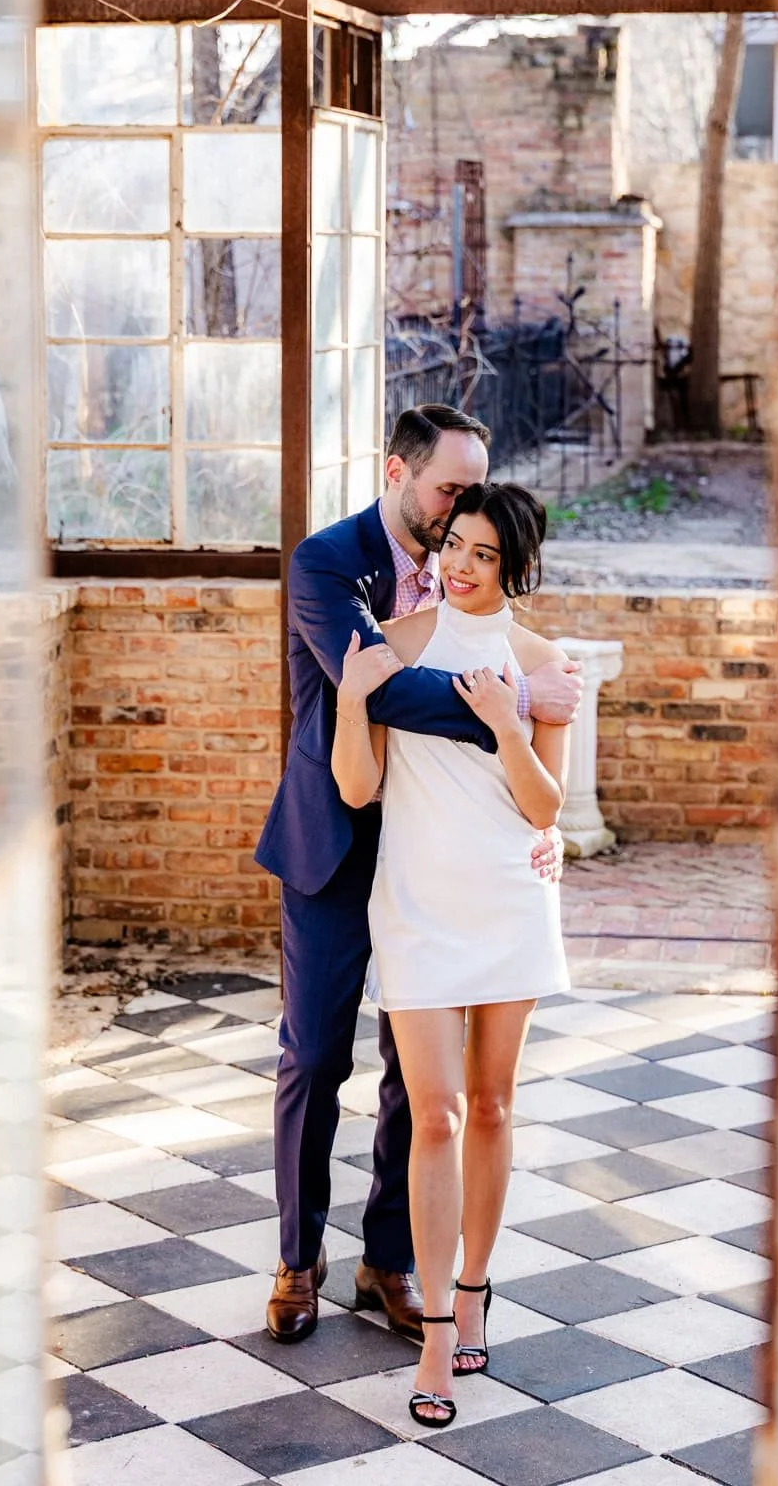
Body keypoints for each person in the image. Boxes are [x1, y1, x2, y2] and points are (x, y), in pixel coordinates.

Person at [254, 405, 582, 1346]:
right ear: (397, 471)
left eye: (470, 498)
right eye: (446, 490)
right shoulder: (327, 561)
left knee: (419, 1080)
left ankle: (392, 1258)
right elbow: (385, 688)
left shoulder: (467, 583)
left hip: (434, 864)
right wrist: (521, 696)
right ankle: (295, 1256)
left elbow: (530, 781)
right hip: (334, 843)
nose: (455, 514)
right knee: (314, 1057)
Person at [330, 481, 570, 1429]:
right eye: (453, 548)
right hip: (418, 900)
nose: (460, 568)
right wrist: (355, 701)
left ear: (515, 565)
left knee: (495, 1105)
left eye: (482, 554)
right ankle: (433, 1330)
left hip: (508, 898)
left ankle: (474, 1288)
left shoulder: (544, 662)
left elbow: (545, 807)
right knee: (433, 1117)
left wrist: (511, 724)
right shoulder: (400, 641)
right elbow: (359, 789)